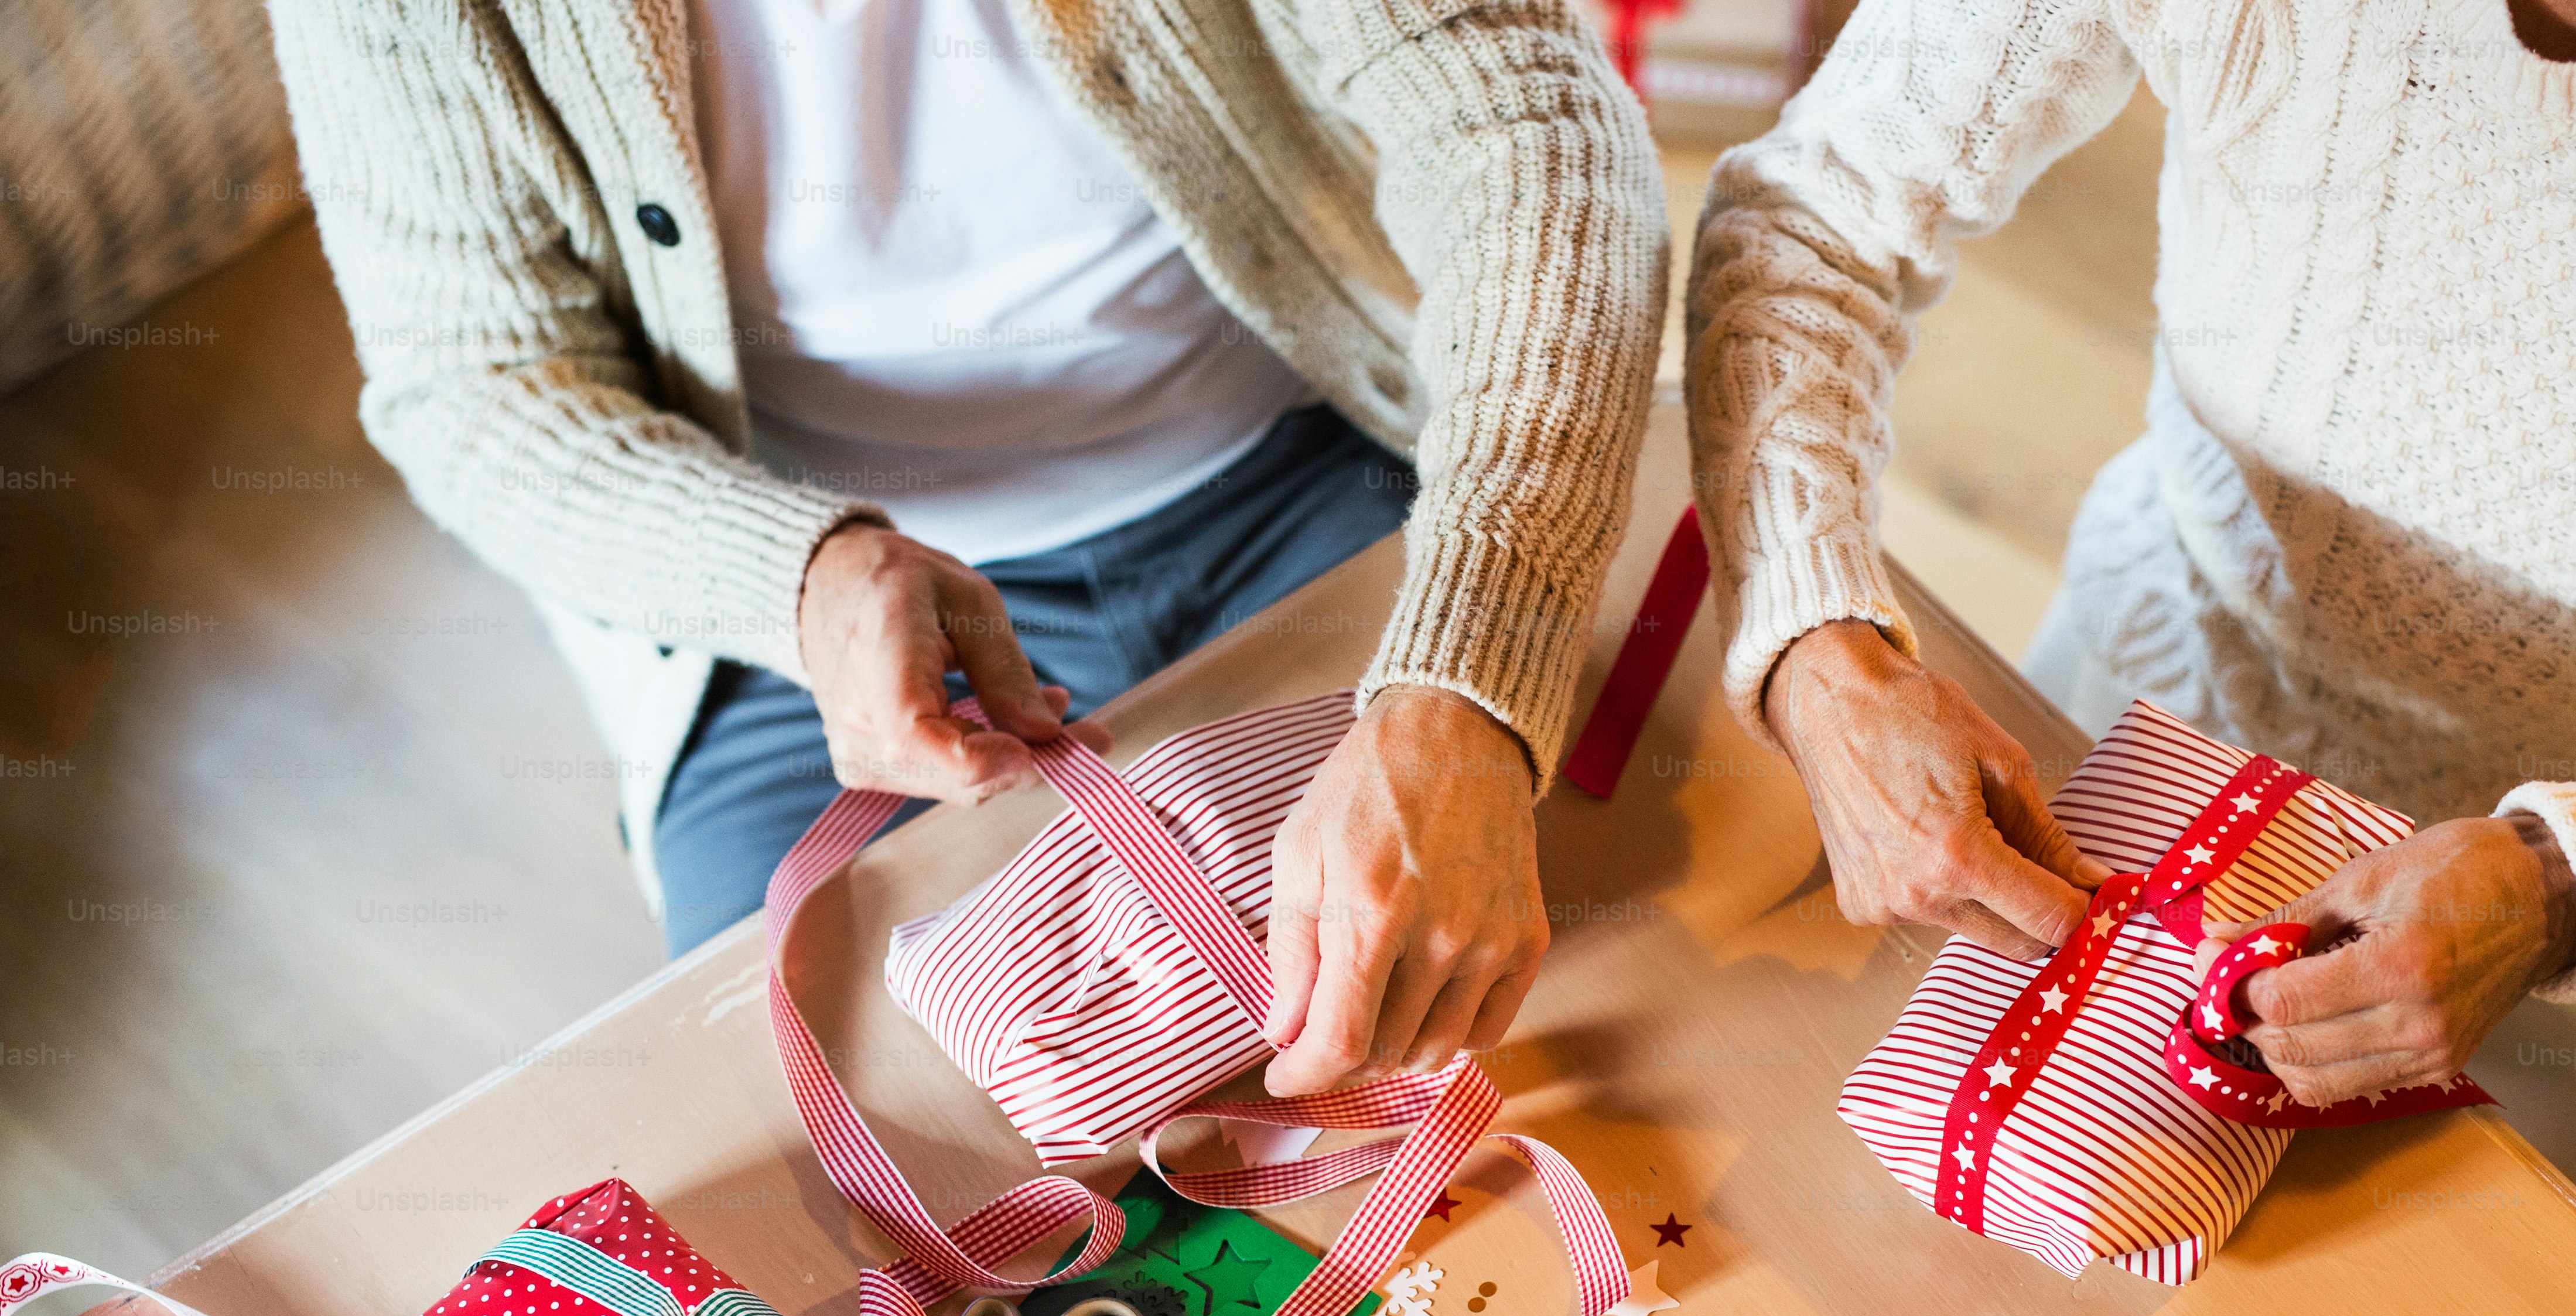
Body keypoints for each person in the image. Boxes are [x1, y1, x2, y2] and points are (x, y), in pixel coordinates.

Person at [265, 0, 1666, 1096]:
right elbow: (477, 380)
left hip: (1311, 461)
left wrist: (1471, 673)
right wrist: (804, 579)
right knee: (853, 1147)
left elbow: (1523, 123)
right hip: (802, 607)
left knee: (1588, 982)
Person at [1689, 0, 2576, 1276]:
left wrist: (2565, 883)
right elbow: (1820, 215)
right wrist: (1818, 642)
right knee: (1872, 1268)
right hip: (2142, 730)